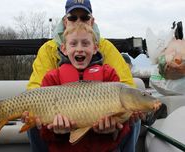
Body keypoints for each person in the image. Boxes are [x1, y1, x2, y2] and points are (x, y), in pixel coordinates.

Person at [22, 0, 143, 151]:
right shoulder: (48, 49)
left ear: (92, 21)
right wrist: (53, 120)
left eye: (84, 17)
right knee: (34, 122)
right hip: (61, 116)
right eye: (73, 18)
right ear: (65, 21)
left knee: (132, 114)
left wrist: (115, 125)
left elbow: (126, 87)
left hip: (99, 123)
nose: (78, 21)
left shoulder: (106, 48)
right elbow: (35, 90)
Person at [33, 22, 131, 152]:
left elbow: (123, 128)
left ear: (95, 48)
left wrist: (113, 130)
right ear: (64, 49)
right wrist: (57, 132)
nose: (80, 49)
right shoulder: (52, 79)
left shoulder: (109, 75)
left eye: (85, 43)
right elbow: (44, 134)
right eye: (73, 44)